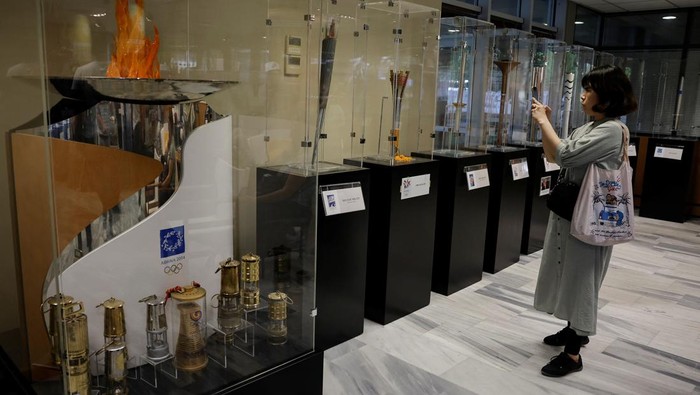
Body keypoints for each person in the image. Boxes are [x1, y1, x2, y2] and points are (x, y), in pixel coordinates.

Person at [530, 65, 638, 377]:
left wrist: (543, 121)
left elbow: (563, 154)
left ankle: (574, 354)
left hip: (590, 218)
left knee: (583, 280)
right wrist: (545, 127)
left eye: (589, 89)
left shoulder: (611, 130)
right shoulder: (591, 127)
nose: (583, 94)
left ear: (607, 96)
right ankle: (572, 328)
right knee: (567, 273)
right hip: (571, 210)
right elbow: (554, 155)